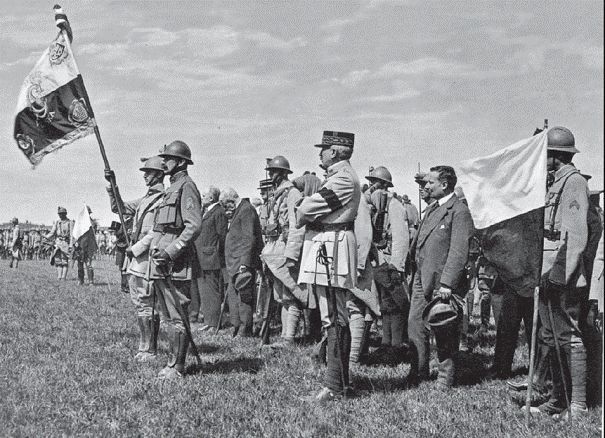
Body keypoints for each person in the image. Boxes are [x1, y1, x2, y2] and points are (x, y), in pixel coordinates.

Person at [530, 126, 590, 418]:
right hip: (548, 272)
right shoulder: (553, 182)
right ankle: (557, 399)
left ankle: (577, 405)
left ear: (555, 156)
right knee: (551, 337)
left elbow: (575, 235)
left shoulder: (574, 182)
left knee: (570, 337)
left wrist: (559, 275)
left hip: (563, 274)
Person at [296, 130, 360, 401]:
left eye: (323, 148)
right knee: (332, 315)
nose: (319, 153)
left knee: (333, 315)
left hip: (333, 245)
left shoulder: (343, 178)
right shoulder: (337, 176)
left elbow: (307, 209)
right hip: (328, 242)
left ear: (334, 152)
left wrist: (302, 205)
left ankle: (334, 387)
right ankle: (339, 383)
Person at [407, 165, 474, 389]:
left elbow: (458, 250)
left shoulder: (459, 211)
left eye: (430, 183)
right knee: (415, 324)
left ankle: (445, 378)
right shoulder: (433, 209)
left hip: (441, 282)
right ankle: (418, 370)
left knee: (444, 328)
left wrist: (448, 283)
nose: (425, 186)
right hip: (421, 277)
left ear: (444, 185)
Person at [146, 140, 202, 379]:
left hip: (176, 262)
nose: (164, 162)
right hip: (161, 261)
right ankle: (171, 363)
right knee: (167, 314)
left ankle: (177, 367)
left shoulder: (186, 186)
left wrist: (170, 252)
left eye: (168, 158)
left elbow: (193, 226)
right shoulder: (171, 187)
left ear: (180, 162)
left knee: (176, 314)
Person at [105, 156, 166, 361]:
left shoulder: (163, 199)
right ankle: (144, 347)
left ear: (158, 174)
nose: (145, 176)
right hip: (137, 260)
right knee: (140, 304)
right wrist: (113, 187)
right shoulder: (146, 199)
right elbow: (119, 209)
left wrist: (136, 249)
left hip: (148, 258)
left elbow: (157, 232)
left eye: (148, 172)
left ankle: (150, 349)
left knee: (149, 302)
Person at [260, 156, 312, 345]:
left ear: (282, 173)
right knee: (281, 295)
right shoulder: (278, 194)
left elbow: (297, 226)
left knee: (292, 293)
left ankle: (290, 336)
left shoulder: (292, 194)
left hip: (285, 249)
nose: (271, 174)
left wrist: (292, 254)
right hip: (275, 248)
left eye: (274, 171)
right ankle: (285, 335)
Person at [365, 166, 410, 357]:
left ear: (385, 186)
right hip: (379, 261)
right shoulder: (377, 207)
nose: (372, 187)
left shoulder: (395, 206)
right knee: (384, 304)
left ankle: (397, 343)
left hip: (391, 261)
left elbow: (401, 237)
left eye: (375, 183)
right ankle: (386, 341)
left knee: (396, 303)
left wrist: (397, 265)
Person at [221, 187, 264, 337]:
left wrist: (245, 263)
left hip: (241, 262)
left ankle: (245, 330)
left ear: (231, 201)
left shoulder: (246, 210)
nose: (225, 209)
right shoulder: (240, 209)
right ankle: (237, 326)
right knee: (234, 296)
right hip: (234, 262)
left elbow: (249, 238)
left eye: (225, 205)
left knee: (244, 296)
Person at [193, 186, 228, 332]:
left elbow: (222, 235)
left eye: (204, 195)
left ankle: (213, 323)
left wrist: (217, 255)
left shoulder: (218, 212)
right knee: (204, 291)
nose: (202, 196)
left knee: (212, 291)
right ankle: (208, 321)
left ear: (212, 198)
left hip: (211, 257)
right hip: (203, 257)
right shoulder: (206, 211)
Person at [45, 207, 73, 280]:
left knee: (64, 260)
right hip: (58, 242)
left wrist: (70, 245)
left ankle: (63, 277)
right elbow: (52, 232)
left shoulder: (70, 222)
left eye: (62, 214)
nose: (60, 215)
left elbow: (71, 235)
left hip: (66, 243)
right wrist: (46, 237)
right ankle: (59, 276)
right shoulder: (57, 222)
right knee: (57, 260)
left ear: (65, 214)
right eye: (59, 214)